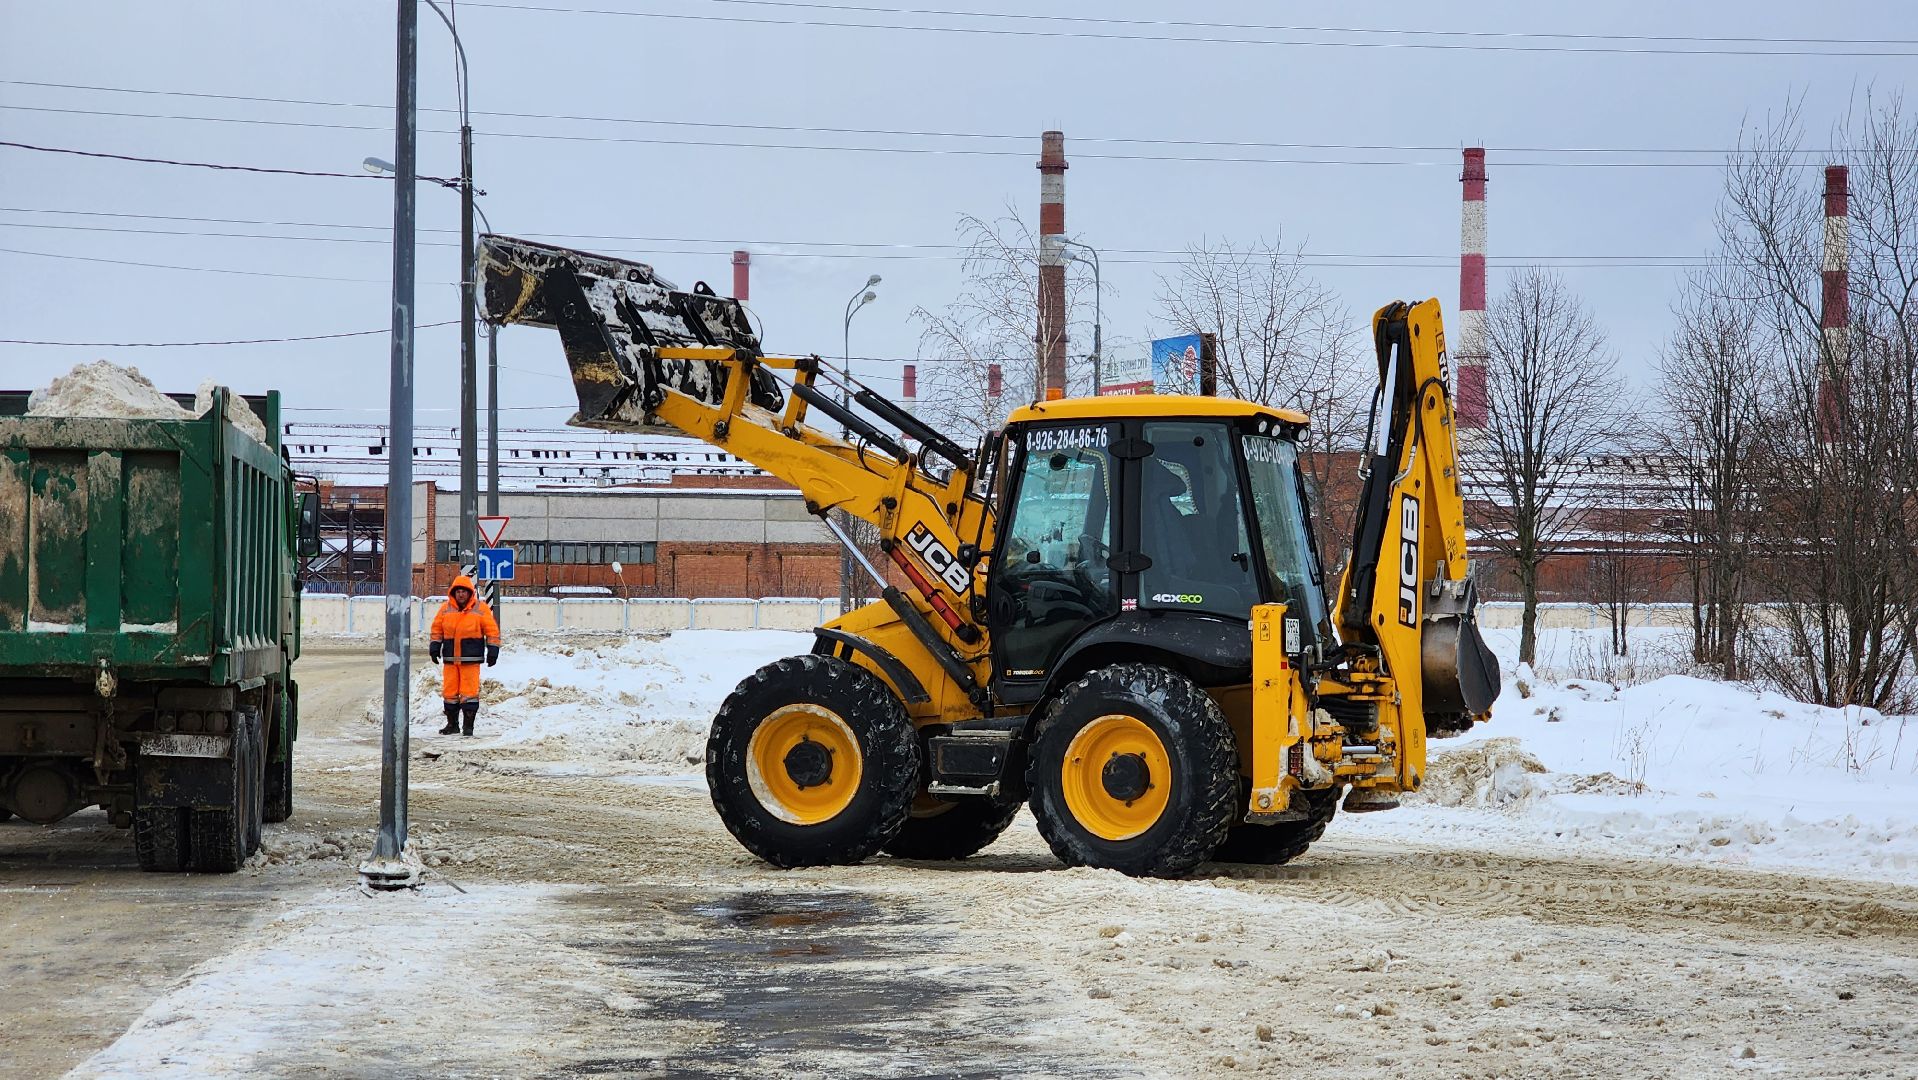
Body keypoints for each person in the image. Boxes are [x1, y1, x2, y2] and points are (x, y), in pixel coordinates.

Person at [429, 574, 501, 736]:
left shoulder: (480, 609)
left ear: (470, 593)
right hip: (450, 659)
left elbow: (492, 631)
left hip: (471, 659)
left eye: (464, 591)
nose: (461, 594)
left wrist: (493, 650)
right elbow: (437, 630)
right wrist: (434, 647)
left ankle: (468, 726)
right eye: (458, 591)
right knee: (449, 693)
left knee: (469, 693)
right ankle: (452, 724)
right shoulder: (445, 608)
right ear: (453, 593)